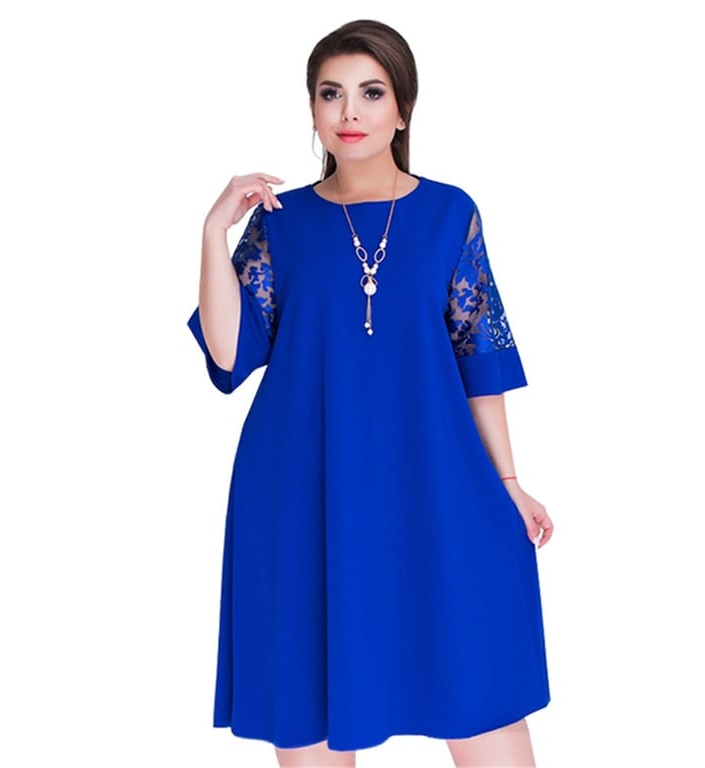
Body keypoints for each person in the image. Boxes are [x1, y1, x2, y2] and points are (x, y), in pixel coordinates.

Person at [188, 18, 553, 768]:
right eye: (331, 94)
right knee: (311, 703)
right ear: (312, 110)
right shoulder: (280, 226)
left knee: (479, 692)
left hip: (435, 486)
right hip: (303, 492)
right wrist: (213, 232)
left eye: (370, 93)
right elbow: (227, 353)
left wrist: (509, 483)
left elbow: (479, 355)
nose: (349, 112)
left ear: (403, 109)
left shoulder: (449, 213)